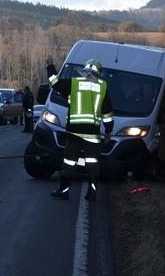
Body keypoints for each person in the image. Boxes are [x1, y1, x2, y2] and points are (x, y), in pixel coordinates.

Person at [46, 55, 114, 202]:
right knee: (92, 164)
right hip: (93, 135)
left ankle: (64, 191)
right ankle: (92, 193)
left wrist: (50, 66)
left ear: (85, 71)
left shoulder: (74, 83)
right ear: (98, 73)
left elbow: (54, 83)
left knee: (69, 163)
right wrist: (108, 131)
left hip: (74, 133)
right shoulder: (102, 86)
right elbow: (107, 112)